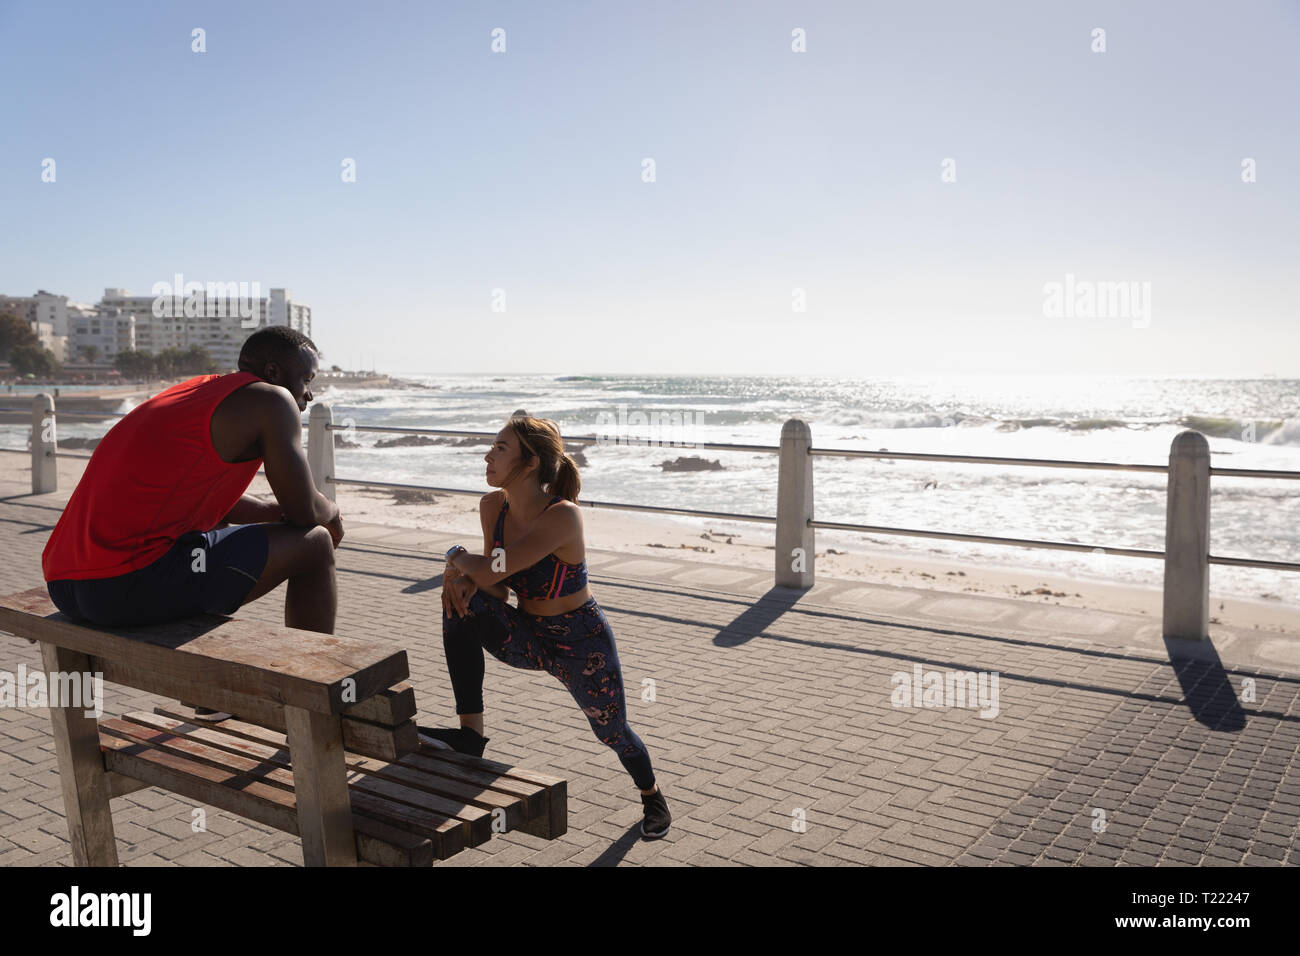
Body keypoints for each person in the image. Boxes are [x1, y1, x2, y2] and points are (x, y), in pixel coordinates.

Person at [425, 416, 672, 840]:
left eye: (500, 448)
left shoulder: (563, 517)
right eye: (492, 446)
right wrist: (465, 580)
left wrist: (457, 557)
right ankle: (470, 735)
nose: (488, 455)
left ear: (531, 460)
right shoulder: (492, 508)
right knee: (457, 600)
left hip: (582, 643)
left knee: (613, 732)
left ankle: (652, 796)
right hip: (528, 636)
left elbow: (494, 566)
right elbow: (498, 587)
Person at [42, 327, 344, 641]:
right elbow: (304, 510)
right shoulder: (274, 400)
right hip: (122, 587)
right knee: (316, 543)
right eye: (307, 380)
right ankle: (313, 676)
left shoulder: (200, 393)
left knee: (213, 532)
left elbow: (193, 496)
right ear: (272, 372)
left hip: (64, 584)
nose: (309, 394)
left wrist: (271, 509)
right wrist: (332, 512)